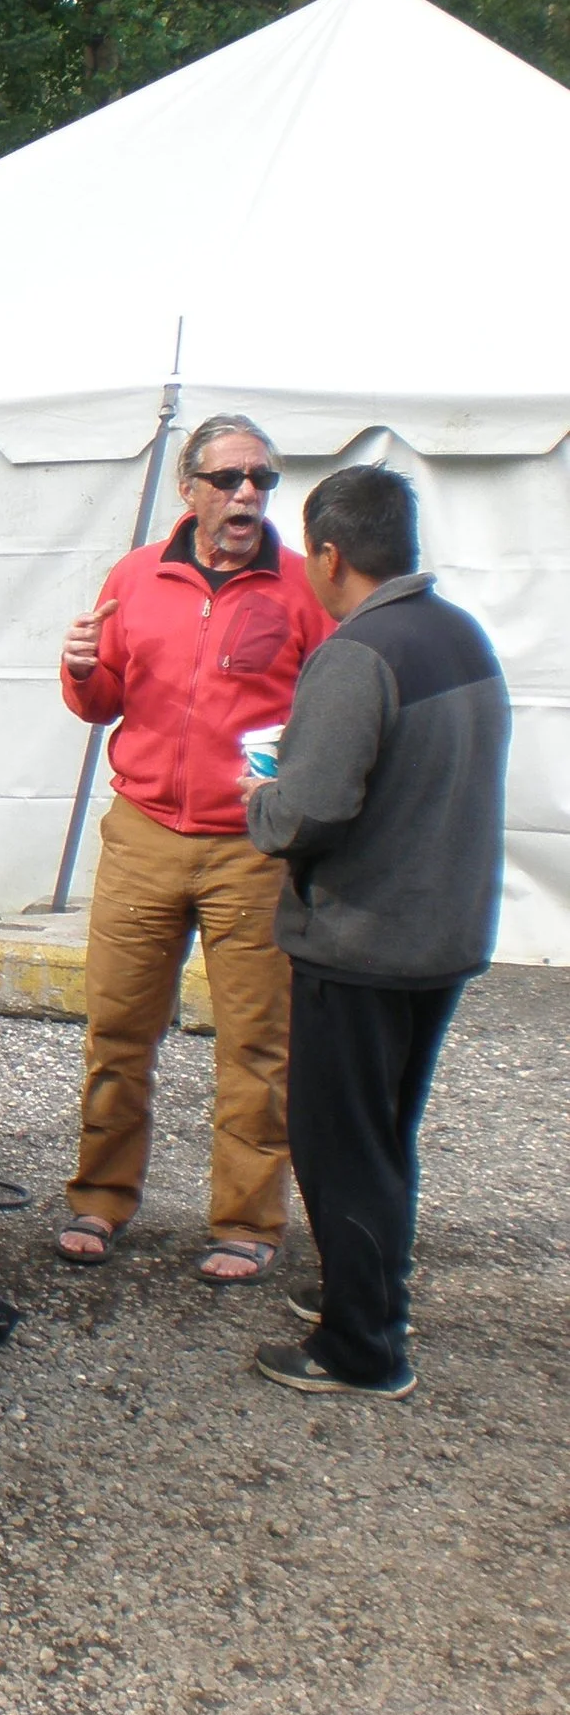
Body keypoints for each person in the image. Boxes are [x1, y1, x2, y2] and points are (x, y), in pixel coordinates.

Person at [243, 466, 507, 1398]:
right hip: (442, 931)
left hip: (363, 940)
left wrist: (261, 798)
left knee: (340, 1144)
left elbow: (313, 808)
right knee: (387, 1133)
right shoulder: (459, 633)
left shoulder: (359, 652)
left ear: (329, 554)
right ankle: (369, 1292)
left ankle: (363, 1347)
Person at [55, 415, 335, 1280]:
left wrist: (299, 799)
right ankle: (99, 1199)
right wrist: (80, 666)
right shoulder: (136, 576)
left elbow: (337, 707)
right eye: (229, 479)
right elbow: (103, 699)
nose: (248, 493)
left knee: (256, 1045)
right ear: (190, 490)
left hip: (252, 848)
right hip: (143, 834)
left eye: (262, 479)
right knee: (117, 1030)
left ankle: (247, 1222)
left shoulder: (303, 586)